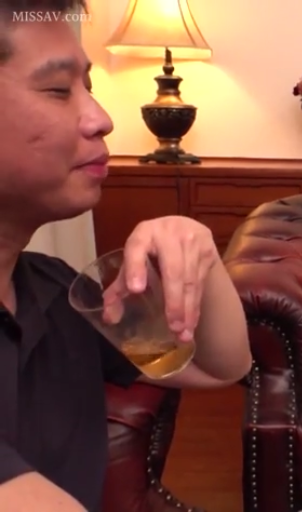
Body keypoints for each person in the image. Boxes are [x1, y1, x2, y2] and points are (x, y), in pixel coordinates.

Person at [0, 1, 257, 511]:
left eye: (88, 86)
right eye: (58, 89)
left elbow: (222, 367)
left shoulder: (56, 293)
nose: (102, 119)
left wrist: (201, 251)